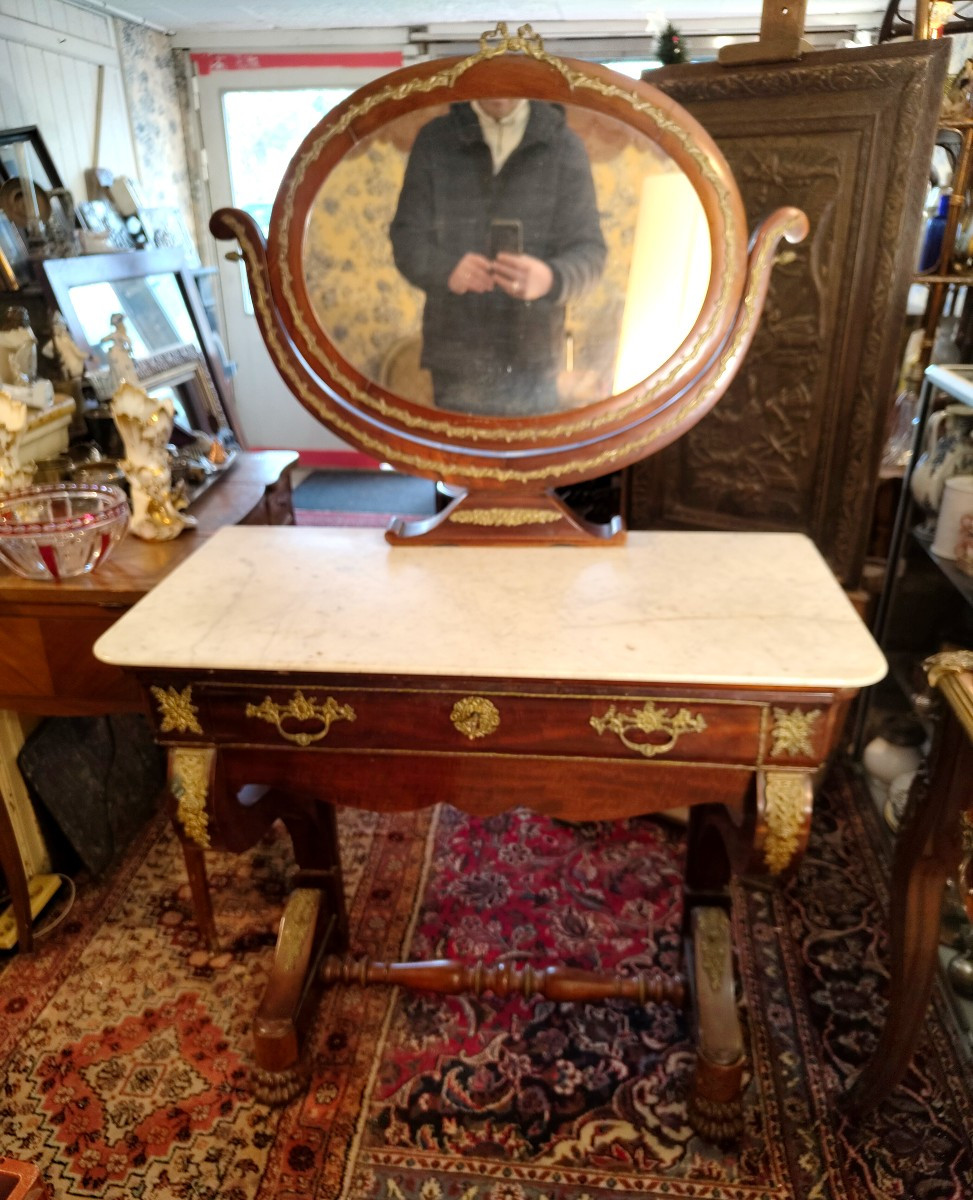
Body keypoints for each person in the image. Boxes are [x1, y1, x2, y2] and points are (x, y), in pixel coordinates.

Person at [389, 98, 606, 416]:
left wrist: (550, 278)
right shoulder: (435, 140)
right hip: (455, 355)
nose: (501, 94)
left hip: (536, 357)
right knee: (458, 448)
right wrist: (446, 270)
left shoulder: (563, 144)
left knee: (531, 448)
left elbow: (590, 252)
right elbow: (406, 238)